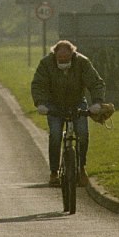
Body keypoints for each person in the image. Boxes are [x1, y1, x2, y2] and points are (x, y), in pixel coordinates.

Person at [30, 39, 106, 187]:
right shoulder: (46, 64)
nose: (63, 60)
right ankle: (54, 172)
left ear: (73, 54)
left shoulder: (82, 62)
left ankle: (81, 168)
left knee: (83, 133)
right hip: (54, 105)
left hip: (77, 103)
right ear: (55, 54)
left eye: (66, 57)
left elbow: (96, 83)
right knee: (55, 134)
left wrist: (97, 102)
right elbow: (38, 84)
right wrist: (40, 103)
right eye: (60, 57)